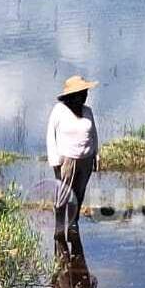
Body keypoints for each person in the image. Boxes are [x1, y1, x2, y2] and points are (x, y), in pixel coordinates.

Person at [46, 75, 99, 226]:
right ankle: (59, 227)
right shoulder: (59, 111)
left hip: (86, 160)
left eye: (85, 93)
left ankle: (73, 223)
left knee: (79, 193)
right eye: (81, 94)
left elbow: (93, 133)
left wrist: (96, 154)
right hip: (67, 160)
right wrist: (55, 161)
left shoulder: (88, 111)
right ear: (71, 96)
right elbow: (51, 136)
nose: (84, 96)